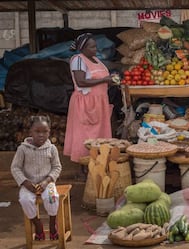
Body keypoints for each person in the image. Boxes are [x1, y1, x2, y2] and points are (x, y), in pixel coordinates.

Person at [64, 33, 114, 163]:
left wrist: (110, 81)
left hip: (100, 102)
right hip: (86, 103)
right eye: (91, 47)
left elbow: (100, 78)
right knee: (85, 134)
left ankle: (97, 162)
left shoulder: (97, 60)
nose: (95, 49)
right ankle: (83, 165)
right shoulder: (78, 60)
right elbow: (81, 82)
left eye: (95, 46)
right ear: (82, 48)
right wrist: (103, 80)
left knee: (99, 134)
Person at [11, 115, 62, 240]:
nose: (41, 135)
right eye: (37, 131)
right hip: (29, 184)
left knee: (52, 197)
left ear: (49, 132)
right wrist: (25, 182)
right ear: (30, 132)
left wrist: (47, 181)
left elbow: (57, 167)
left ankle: (52, 223)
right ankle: (37, 224)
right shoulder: (22, 149)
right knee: (25, 200)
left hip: (47, 183)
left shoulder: (52, 149)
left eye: (45, 132)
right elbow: (15, 167)